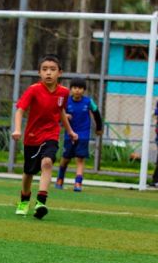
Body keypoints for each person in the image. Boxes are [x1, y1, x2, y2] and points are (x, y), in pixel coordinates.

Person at [11, 54, 76, 218]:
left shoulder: (64, 92)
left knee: (47, 162)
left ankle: (41, 202)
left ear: (59, 73)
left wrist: (69, 131)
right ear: (39, 73)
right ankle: (24, 200)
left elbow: (60, 111)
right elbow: (20, 110)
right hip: (32, 136)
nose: (49, 73)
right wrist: (17, 129)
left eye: (52, 69)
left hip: (51, 134)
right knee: (29, 171)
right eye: (45, 69)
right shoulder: (33, 90)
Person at [56, 77, 102, 192]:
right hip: (69, 134)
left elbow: (96, 114)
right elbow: (57, 115)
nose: (77, 90)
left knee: (79, 159)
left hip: (83, 134)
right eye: (75, 88)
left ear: (84, 90)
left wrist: (99, 127)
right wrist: (64, 117)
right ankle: (60, 178)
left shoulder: (88, 101)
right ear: (71, 89)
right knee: (66, 159)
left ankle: (78, 183)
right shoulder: (66, 101)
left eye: (80, 88)